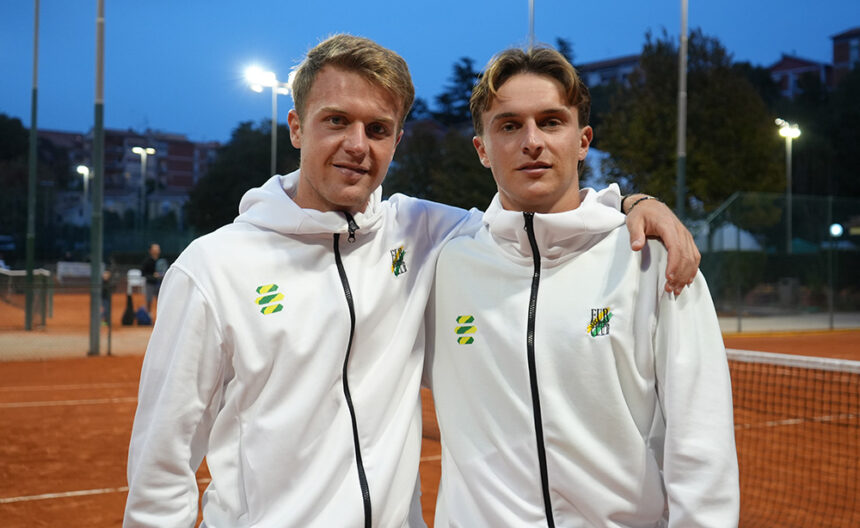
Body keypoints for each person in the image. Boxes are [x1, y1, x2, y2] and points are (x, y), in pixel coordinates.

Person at [124, 34, 701, 527]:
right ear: (296, 127)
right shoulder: (213, 267)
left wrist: (630, 203)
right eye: (336, 120)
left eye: (378, 128)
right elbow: (161, 467)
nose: (357, 144)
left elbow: (535, 221)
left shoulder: (422, 232)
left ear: (396, 141)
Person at [425, 46, 739, 527]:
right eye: (509, 126)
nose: (532, 141)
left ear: (582, 140)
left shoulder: (653, 259)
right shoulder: (441, 261)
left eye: (551, 122)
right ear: (482, 149)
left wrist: (636, 202)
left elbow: (702, 441)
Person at [139, 243, 166, 316]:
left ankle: (161, 315)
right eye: (155, 249)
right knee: (149, 300)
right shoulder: (146, 261)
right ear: (150, 251)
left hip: (160, 284)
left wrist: (161, 275)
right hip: (150, 283)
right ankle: (148, 315)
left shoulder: (162, 260)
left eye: (157, 249)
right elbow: (143, 273)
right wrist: (153, 276)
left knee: (161, 300)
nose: (156, 251)